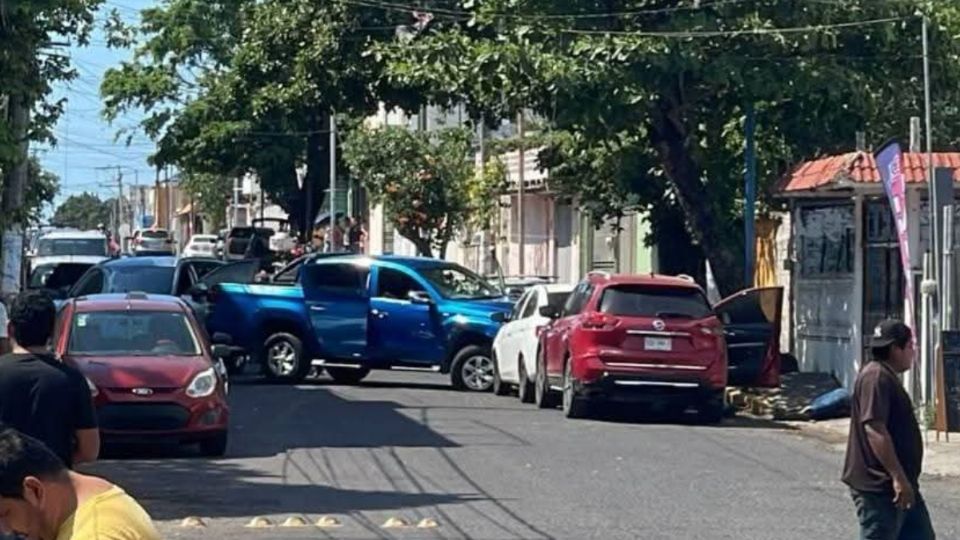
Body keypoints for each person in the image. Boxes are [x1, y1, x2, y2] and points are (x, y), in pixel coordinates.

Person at [842, 320, 935, 540]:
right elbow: (875, 429)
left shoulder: (884, 375)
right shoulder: (876, 377)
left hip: (902, 484)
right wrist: (898, 478)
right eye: (910, 346)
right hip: (881, 487)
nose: (913, 352)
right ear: (895, 349)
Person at [0, 428, 160, 540]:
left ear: (34, 490)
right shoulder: (94, 493)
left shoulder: (96, 534)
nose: (5, 529)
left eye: (4, 514)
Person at [0, 291, 99, 468]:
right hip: (53, 484)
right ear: (55, 330)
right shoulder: (72, 380)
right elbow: (89, 450)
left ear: (10, 329)